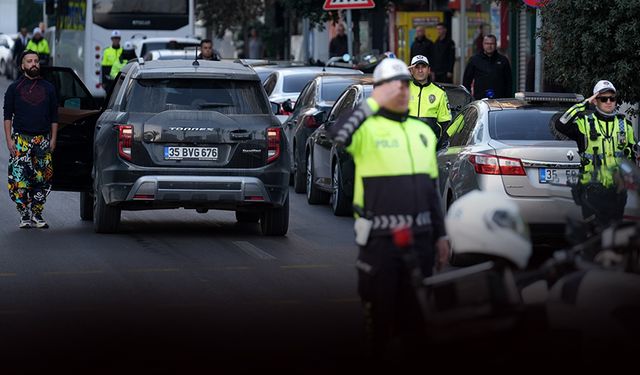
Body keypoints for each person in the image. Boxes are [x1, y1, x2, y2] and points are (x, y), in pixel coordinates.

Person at [327, 57, 450, 360]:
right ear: (380, 90)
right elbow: (337, 133)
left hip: (421, 240)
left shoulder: (422, 133)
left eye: (406, 84)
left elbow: (431, 190)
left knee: (419, 327)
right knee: (380, 326)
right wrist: (372, 103)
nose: (402, 90)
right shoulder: (367, 129)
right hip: (380, 243)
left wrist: (441, 235)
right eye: (395, 85)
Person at [555, 80, 636, 230]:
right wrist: (584, 104)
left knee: (615, 236)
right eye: (603, 98)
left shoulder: (625, 124)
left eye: (612, 98)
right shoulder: (584, 123)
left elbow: (631, 157)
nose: (609, 102)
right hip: (591, 191)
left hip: (617, 192)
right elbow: (560, 123)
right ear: (596, 101)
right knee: (594, 236)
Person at [3, 50, 58, 229]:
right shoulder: (14, 88)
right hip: (21, 140)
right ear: (22, 66)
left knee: (43, 179)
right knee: (20, 180)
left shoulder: (49, 88)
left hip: (42, 140)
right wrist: (9, 141)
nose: (33, 64)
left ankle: (37, 213)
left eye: (36, 61)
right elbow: (7, 116)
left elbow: (54, 117)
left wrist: (53, 139)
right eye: (29, 61)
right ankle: (24, 214)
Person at [408, 55, 451, 141]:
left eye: (423, 67)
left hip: (430, 143)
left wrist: (443, 144)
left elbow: (446, 123)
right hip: (407, 142)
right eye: (416, 67)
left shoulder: (439, 92)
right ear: (411, 71)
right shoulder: (402, 88)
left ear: (429, 70)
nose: (420, 70)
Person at [462, 34, 512, 100]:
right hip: (480, 100)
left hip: (500, 100)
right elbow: (466, 81)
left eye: (492, 44)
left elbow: (509, 82)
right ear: (483, 44)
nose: (489, 46)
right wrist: (469, 98)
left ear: (496, 45)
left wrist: (507, 99)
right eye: (487, 43)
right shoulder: (474, 60)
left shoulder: (503, 60)